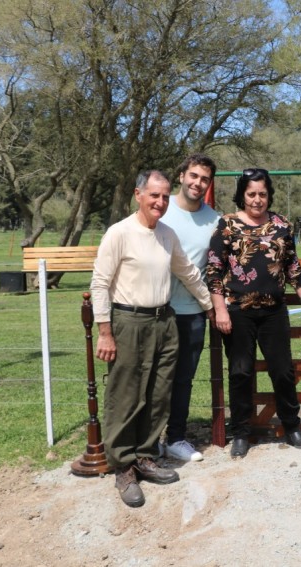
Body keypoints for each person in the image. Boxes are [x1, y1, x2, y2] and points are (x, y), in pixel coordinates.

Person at [90, 169, 214, 507]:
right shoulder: (120, 233)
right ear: (138, 195)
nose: (159, 202)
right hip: (128, 321)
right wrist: (105, 331)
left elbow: (188, 272)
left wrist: (212, 306)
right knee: (126, 395)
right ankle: (123, 466)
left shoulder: (167, 234)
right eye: (153, 195)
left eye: (164, 196)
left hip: (164, 320)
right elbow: (100, 282)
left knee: (159, 394)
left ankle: (145, 456)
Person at [206, 167, 301, 459]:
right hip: (237, 313)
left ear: (269, 195)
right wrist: (220, 310)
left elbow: (293, 267)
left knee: (282, 371)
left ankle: (292, 426)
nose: (257, 200)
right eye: (251, 194)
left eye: (262, 194)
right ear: (242, 195)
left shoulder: (282, 225)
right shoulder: (226, 225)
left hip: (273, 313)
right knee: (241, 372)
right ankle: (242, 432)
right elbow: (214, 271)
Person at [158, 154, 220, 463]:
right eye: (193, 175)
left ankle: (176, 437)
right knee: (153, 378)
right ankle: (147, 439)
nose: (197, 183)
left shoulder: (214, 221)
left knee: (183, 379)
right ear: (182, 175)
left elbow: (218, 268)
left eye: (204, 179)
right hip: (155, 309)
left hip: (193, 313)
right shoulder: (159, 207)